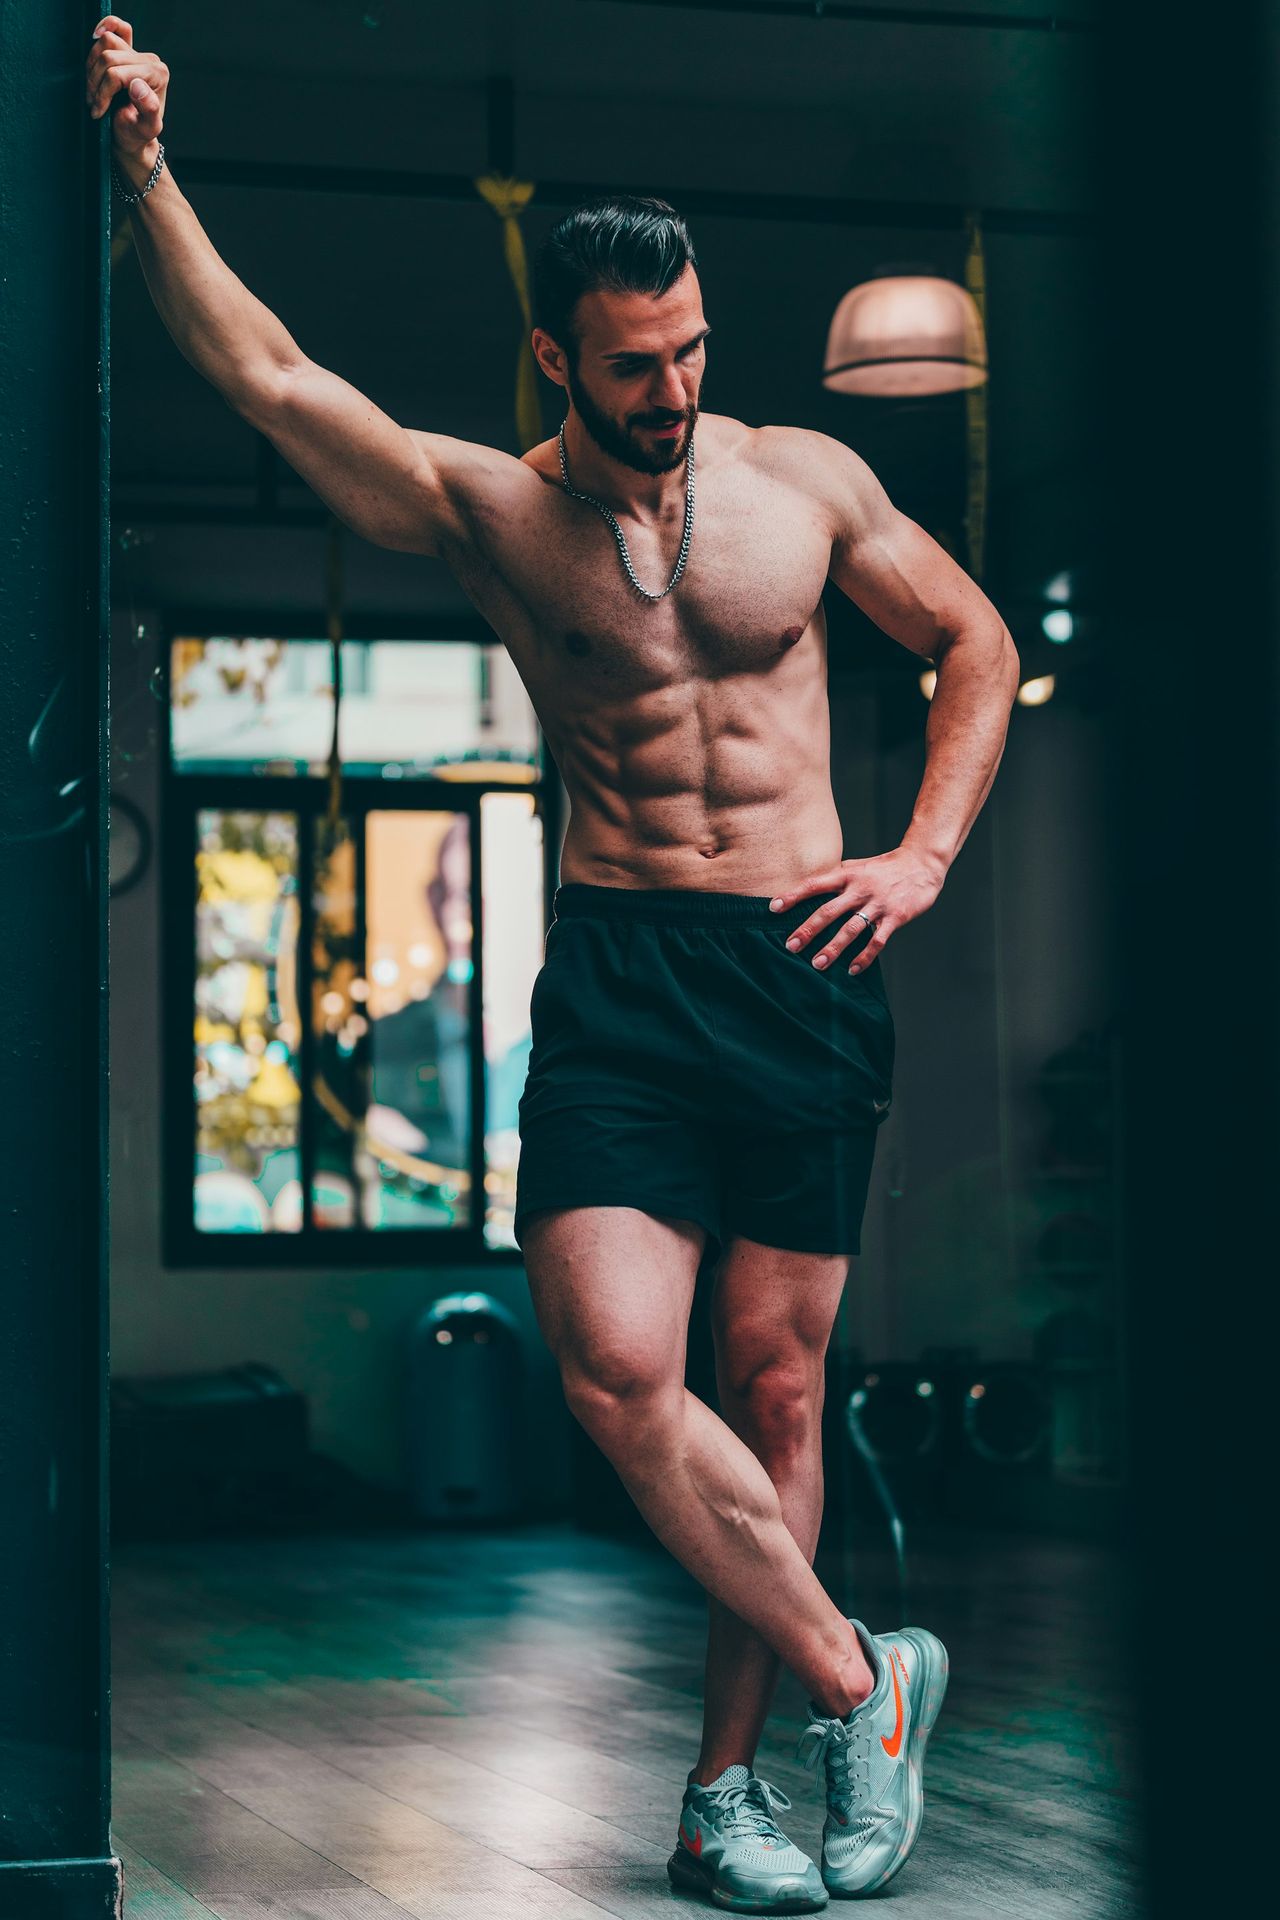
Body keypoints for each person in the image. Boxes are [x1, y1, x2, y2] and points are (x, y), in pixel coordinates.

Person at [87, 17, 1019, 1910]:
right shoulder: (497, 513)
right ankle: (865, 1685)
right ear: (555, 359)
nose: (673, 390)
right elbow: (271, 376)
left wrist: (922, 856)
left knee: (775, 1394)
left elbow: (975, 644)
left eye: (691, 351)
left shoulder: (806, 480)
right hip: (619, 975)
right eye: (634, 365)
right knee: (615, 1377)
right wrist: (143, 173)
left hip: (802, 963)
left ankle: (722, 1799)